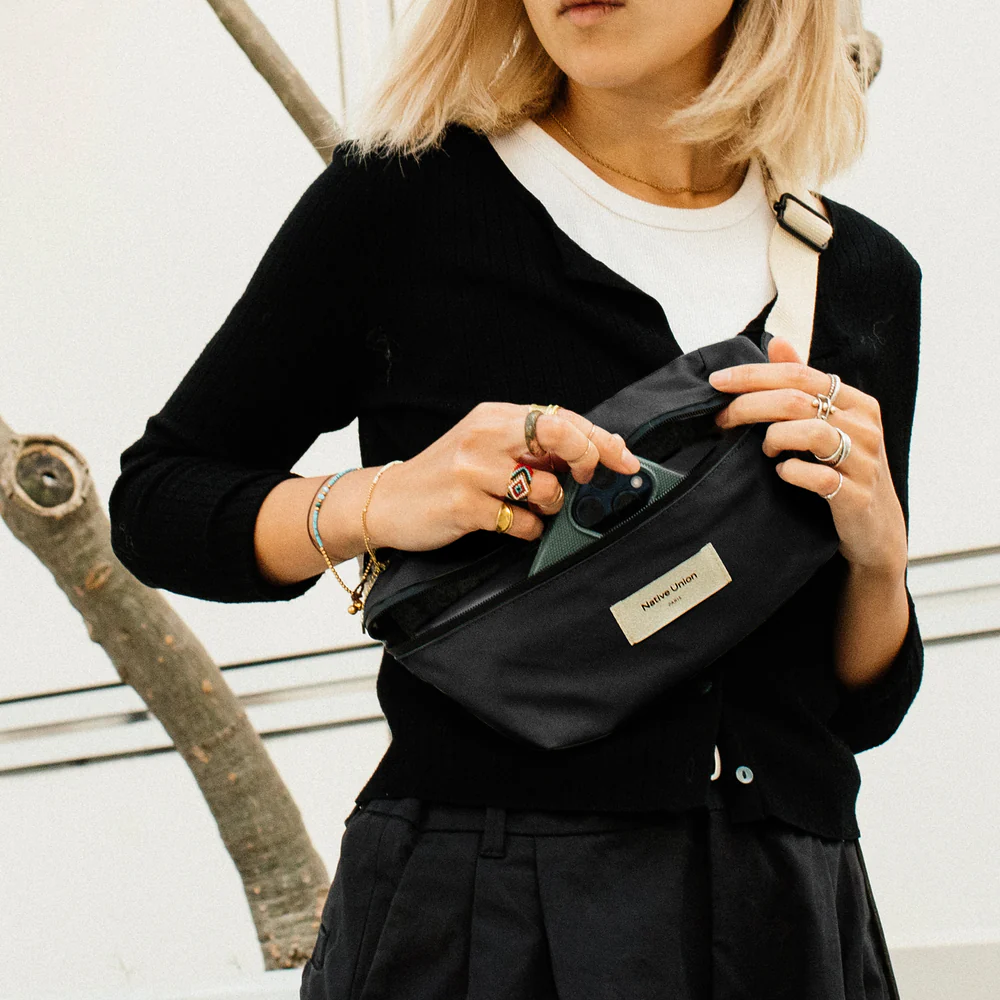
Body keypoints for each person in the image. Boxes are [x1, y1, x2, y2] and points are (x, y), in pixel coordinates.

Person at [109, 1, 924, 996]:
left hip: (790, 919)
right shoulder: (404, 205)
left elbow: (856, 709)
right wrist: (379, 500)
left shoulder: (861, 278)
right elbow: (158, 503)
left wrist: (879, 558)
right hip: (488, 918)